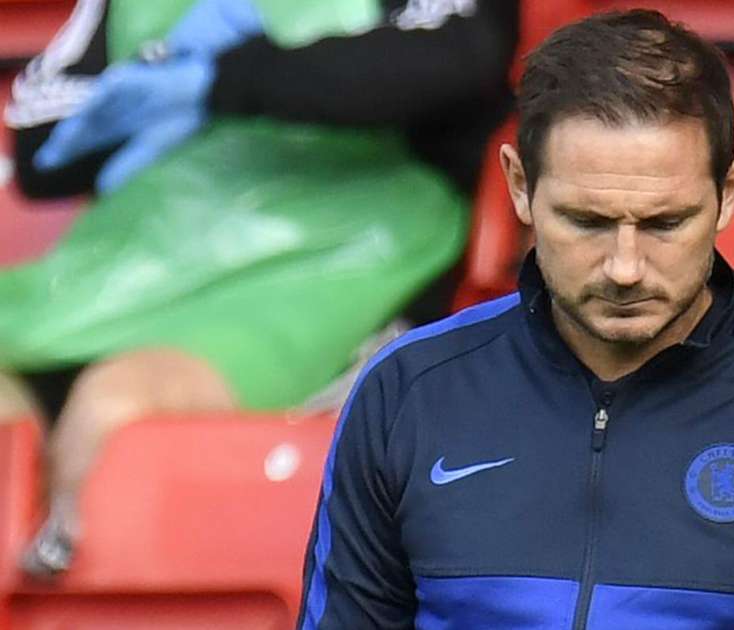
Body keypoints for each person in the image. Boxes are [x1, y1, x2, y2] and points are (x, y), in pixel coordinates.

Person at [297, 9, 734, 629]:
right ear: (520, 186)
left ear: (728, 190)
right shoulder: (406, 394)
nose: (624, 268)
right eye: (586, 221)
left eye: (665, 223)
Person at [1, 0, 518, 578]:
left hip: (335, 260)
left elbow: (454, 57)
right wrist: (150, 78)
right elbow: (38, 140)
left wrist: (229, 79)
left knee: (116, 406)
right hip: (129, 265)